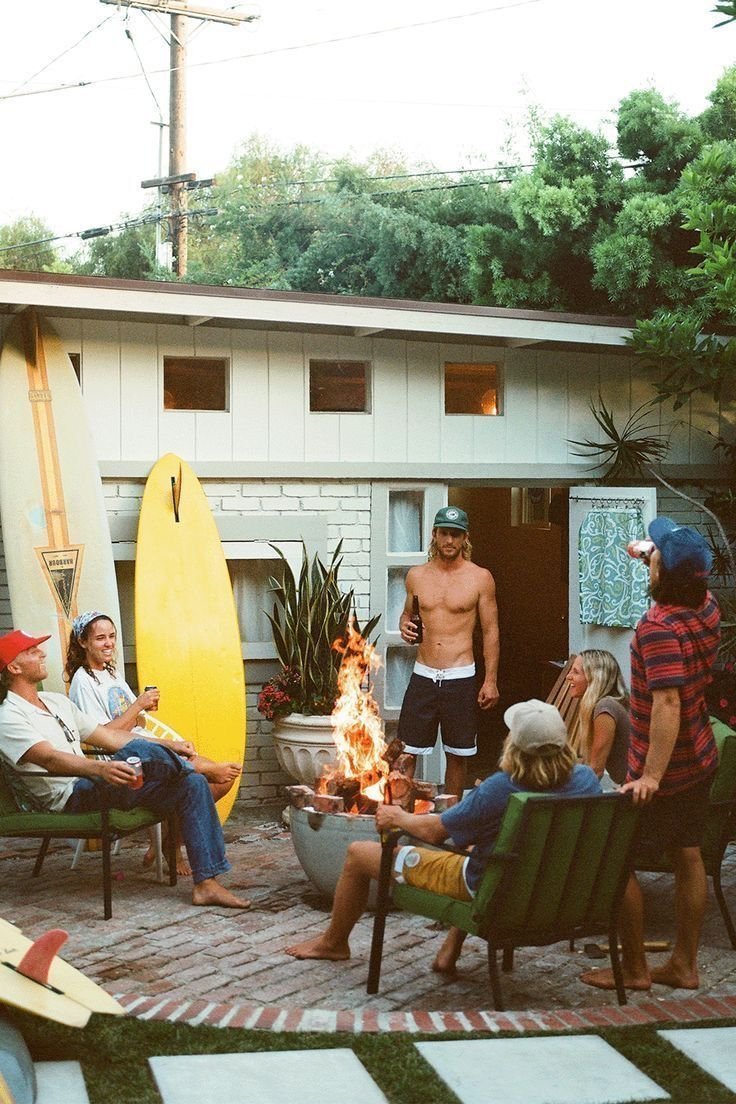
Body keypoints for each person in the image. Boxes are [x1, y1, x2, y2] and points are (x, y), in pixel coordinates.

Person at [285, 699, 600, 966]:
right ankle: (450, 949)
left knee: (358, 854)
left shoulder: (500, 788)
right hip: (551, 892)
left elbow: (435, 832)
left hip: (492, 892)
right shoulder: (586, 780)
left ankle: (333, 943)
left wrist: (397, 816)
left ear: (514, 745)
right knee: (486, 849)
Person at [0, 629, 250, 909]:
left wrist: (169, 743)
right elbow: (49, 759)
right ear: (14, 666)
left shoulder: (57, 702)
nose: (42, 653)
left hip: (96, 785)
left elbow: (110, 738)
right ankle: (203, 767)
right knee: (143, 756)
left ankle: (206, 884)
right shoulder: (9, 717)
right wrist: (99, 770)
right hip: (70, 797)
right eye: (32, 651)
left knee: (190, 784)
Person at [581, 517, 720, 993]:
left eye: (653, 556)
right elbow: (676, 568)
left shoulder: (657, 628)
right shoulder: (706, 606)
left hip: (666, 769)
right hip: (700, 758)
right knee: (688, 857)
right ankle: (684, 965)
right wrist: (649, 552)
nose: (647, 556)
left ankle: (636, 970)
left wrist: (650, 779)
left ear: (666, 575)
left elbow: (667, 703)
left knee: (611, 860)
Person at [65, 610, 242, 875]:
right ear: (83, 642)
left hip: (143, 748)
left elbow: (139, 723)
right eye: (100, 638)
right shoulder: (83, 681)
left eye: (112, 637)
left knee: (220, 781)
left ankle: (169, 843)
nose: (109, 643)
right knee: (208, 777)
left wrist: (140, 713)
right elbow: (100, 735)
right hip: (121, 760)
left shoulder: (112, 675)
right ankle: (172, 844)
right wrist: (137, 706)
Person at [397, 506, 500, 800]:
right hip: (424, 674)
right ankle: (398, 817)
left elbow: (491, 631)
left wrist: (490, 680)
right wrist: (405, 627)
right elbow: (406, 616)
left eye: (455, 534)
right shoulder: (416, 576)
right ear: (435, 535)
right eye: (444, 533)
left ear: (464, 537)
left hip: (460, 675)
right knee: (406, 752)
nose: (449, 541)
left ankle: (450, 821)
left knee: (457, 755)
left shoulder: (480, 578)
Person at [566, 649, 630, 787]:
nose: (568, 676)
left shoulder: (605, 707)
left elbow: (596, 770)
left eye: (575, 672)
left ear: (595, 678)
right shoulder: (611, 703)